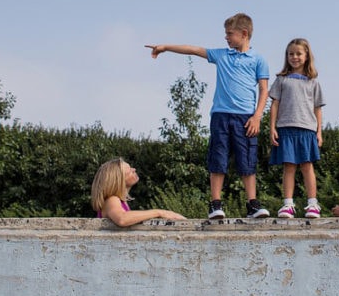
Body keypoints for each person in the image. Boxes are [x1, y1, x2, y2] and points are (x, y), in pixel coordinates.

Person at [146, 12, 271, 220]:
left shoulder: (258, 59)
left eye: (229, 34)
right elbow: (194, 50)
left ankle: (252, 205)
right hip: (221, 116)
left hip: (246, 118)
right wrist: (166, 47)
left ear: (244, 33)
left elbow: (264, 90)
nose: (226, 37)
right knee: (218, 158)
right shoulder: (221, 55)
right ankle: (215, 205)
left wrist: (257, 116)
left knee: (247, 161)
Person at [268, 38, 325, 219]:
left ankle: (313, 204)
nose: (294, 57)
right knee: (289, 167)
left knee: (307, 166)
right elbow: (275, 105)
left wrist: (319, 132)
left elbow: (317, 108)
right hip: (285, 127)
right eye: (291, 54)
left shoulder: (313, 82)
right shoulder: (281, 80)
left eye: (298, 53)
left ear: (307, 56)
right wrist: (272, 128)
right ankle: (288, 205)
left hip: (307, 129)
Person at [90, 158, 186, 227]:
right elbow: (122, 219)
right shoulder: (112, 200)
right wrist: (159, 212)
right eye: (129, 169)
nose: (134, 169)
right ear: (118, 179)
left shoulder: (120, 202)